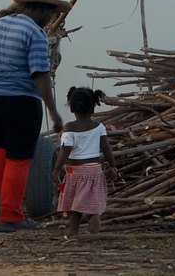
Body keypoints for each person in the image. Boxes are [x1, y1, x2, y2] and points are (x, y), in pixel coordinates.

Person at [0, 0, 70, 231]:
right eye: (50, 12)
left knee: (5, 146)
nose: (51, 18)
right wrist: (53, 112)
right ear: (39, 9)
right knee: (20, 157)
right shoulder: (36, 34)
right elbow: (40, 74)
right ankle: (11, 215)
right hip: (20, 101)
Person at [52, 86, 118, 238]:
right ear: (93, 108)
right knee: (93, 205)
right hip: (95, 170)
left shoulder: (69, 128)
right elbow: (106, 148)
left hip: (75, 172)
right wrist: (113, 165)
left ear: (72, 108)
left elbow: (66, 150)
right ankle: (93, 225)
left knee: (74, 207)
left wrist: (56, 169)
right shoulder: (99, 127)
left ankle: (73, 234)